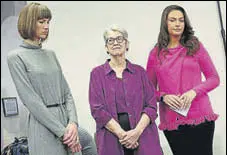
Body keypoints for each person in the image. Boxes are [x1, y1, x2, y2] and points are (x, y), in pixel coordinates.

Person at [7, 2, 97, 155]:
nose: (46, 26)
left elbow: (66, 92)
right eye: (41, 22)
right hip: (43, 127)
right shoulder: (16, 57)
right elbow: (32, 101)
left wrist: (73, 123)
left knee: (89, 144)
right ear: (28, 22)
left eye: (48, 22)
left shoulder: (51, 54)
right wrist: (63, 133)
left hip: (67, 125)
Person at [146, 5, 220, 155]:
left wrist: (194, 92)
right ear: (165, 23)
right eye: (173, 20)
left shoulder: (195, 46)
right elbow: (147, 90)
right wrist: (163, 97)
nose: (178, 24)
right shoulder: (156, 54)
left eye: (181, 20)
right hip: (173, 121)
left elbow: (214, 78)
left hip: (200, 116)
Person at [88, 25, 163, 155]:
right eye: (110, 40)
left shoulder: (140, 72)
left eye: (119, 39)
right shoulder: (97, 74)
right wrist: (123, 135)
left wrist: (136, 132)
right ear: (106, 47)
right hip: (111, 138)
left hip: (143, 135)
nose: (115, 42)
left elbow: (151, 106)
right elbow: (97, 110)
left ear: (127, 44)